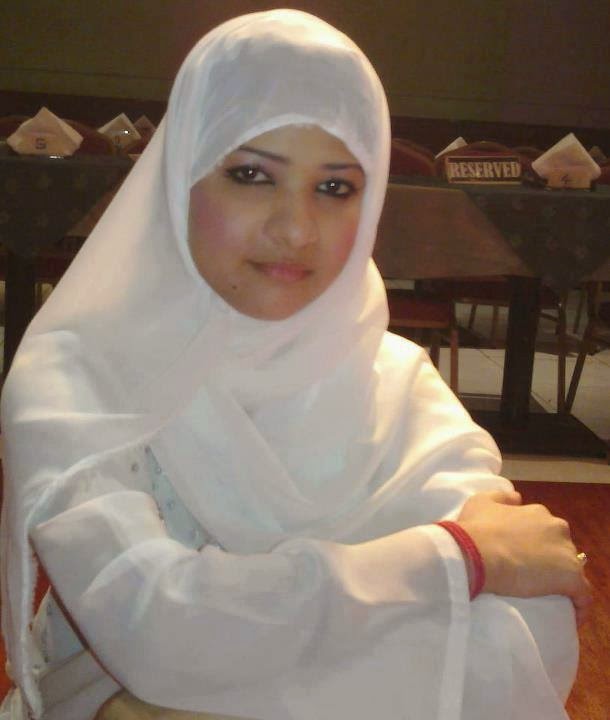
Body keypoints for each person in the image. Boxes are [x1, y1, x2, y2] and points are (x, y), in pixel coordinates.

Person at [0, 9, 590, 720]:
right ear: (180, 175)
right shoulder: (80, 377)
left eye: (335, 187)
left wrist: (222, 677)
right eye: (251, 175)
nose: (295, 229)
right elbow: (154, 633)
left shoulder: (396, 379)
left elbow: (531, 623)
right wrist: (453, 560)